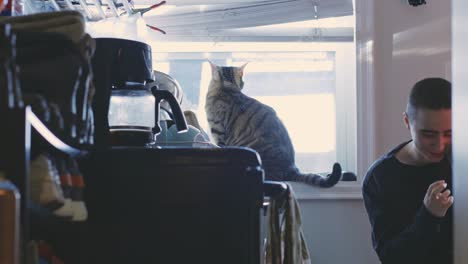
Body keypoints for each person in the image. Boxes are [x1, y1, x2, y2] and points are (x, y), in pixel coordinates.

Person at [362, 78, 453, 264]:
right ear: (407, 121)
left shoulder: (462, 161)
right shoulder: (380, 178)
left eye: (449, 133)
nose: (440, 144)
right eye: (428, 134)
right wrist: (429, 215)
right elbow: (392, 257)